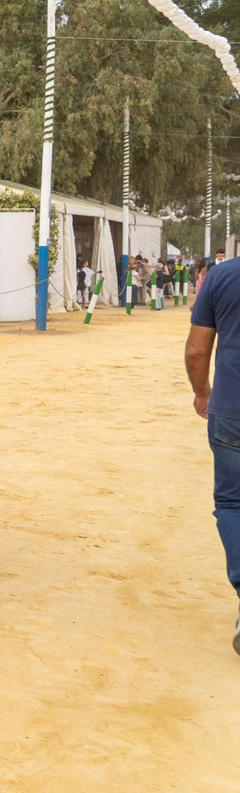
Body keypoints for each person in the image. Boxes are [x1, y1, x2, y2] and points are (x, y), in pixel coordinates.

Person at [184, 254, 240, 655]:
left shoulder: (222, 276)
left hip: (232, 412)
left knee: (233, 503)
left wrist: (203, 392)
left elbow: (196, 350)